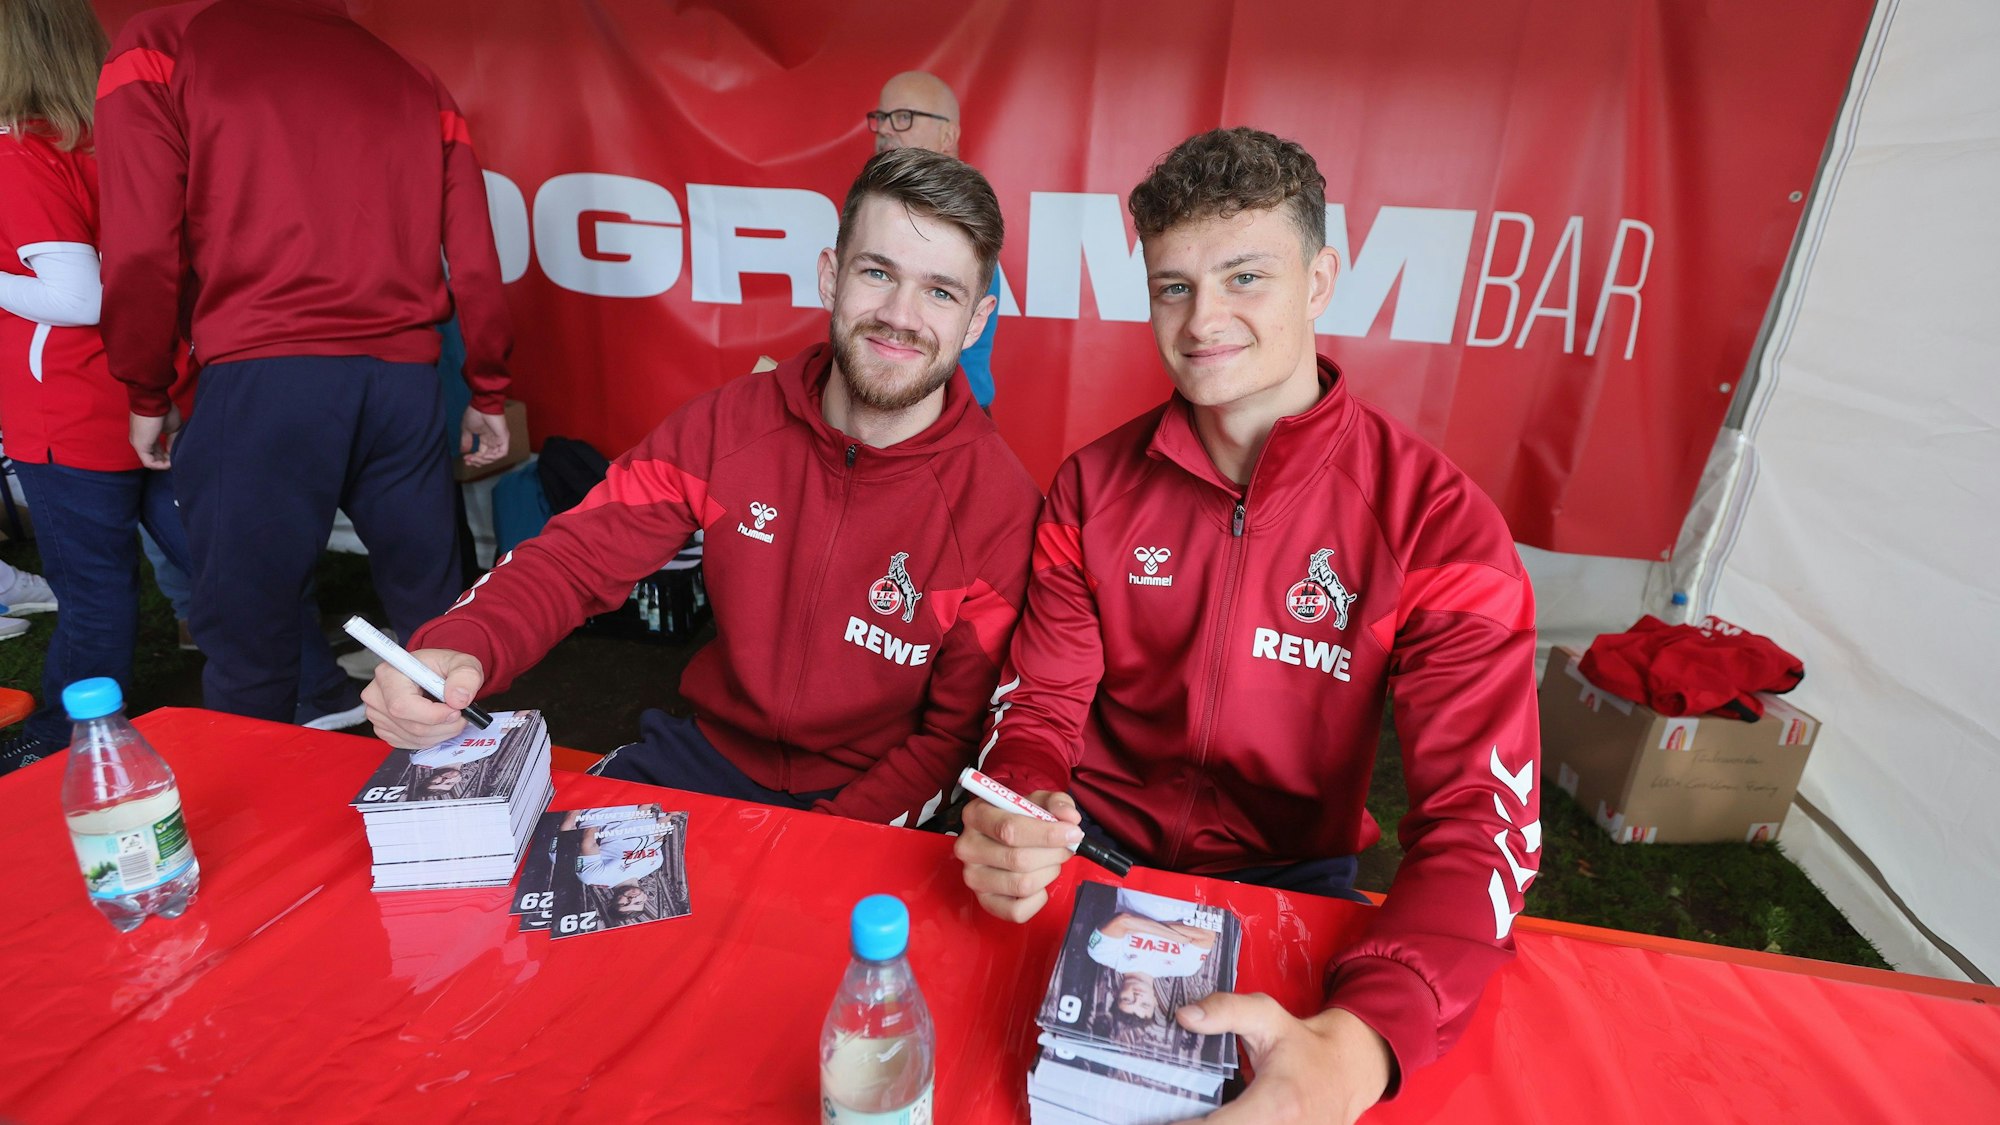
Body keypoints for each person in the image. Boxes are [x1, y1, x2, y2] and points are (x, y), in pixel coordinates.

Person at [954, 128, 1542, 1122]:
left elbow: (1480, 820)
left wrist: (1359, 1044)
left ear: (1319, 279)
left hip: (1291, 883)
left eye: (1243, 277)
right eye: (1172, 286)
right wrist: (1019, 800)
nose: (1202, 320)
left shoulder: (1436, 522)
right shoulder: (1092, 488)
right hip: (1093, 856)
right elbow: (1041, 701)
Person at [364, 148, 1042, 829]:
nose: (900, 314)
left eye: (940, 291)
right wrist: (463, 642)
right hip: (705, 758)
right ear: (831, 278)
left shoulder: (999, 509)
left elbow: (950, 741)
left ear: (976, 321)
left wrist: (818, 845)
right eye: (877, 272)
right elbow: (576, 558)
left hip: (873, 797)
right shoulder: (730, 425)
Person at [94, 0, 515, 730]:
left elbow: (139, 247)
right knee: (441, 634)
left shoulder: (163, 42)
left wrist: (145, 387)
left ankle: (260, 834)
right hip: (404, 385)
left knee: (249, 645)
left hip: (266, 377)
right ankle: (483, 811)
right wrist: (487, 386)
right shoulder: (410, 76)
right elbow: (476, 258)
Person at [0, 0, 193, 773]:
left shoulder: (20, 154)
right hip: (155, 388)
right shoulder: (124, 140)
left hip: (73, 410)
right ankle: (300, 692)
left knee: (94, 592)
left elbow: (79, 298)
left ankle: (64, 745)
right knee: (210, 560)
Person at [867, 71, 1000, 411]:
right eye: (881, 117)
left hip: (944, 415)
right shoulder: (872, 211)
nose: (885, 128)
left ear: (948, 134)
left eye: (904, 117)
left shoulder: (966, 220)